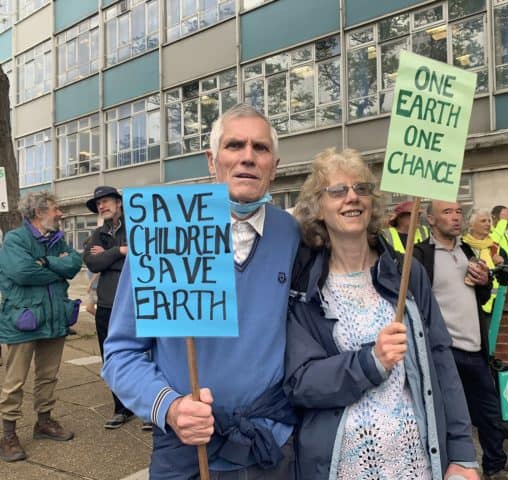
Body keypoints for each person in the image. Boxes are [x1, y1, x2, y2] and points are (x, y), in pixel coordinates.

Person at [102, 103, 299, 479]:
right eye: (234, 145)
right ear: (212, 160)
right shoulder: (164, 231)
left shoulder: (291, 233)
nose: (247, 157)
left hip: (268, 443)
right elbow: (121, 353)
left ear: (274, 165)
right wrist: (171, 408)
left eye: (260, 148)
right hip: (185, 448)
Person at [286, 148, 479, 480]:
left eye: (361, 189)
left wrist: (462, 454)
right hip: (340, 468)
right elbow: (301, 383)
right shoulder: (305, 288)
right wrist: (369, 362)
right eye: (338, 190)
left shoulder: (408, 274)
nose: (352, 197)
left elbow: (441, 361)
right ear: (319, 207)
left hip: (414, 464)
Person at [413, 201, 508, 480]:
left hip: (475, 348)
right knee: (449, 417)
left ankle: (496, 466)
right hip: (444, 351)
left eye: (459, 212)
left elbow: (481, 297)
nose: (455, 217)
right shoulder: (421, 256)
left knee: (490, 412)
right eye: (447, 212)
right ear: (430, 219)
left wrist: (485, 281)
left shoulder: (467, 252)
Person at [0, 192, 82, 462]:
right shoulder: (15, 239)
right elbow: (22, 272)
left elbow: (74, 264)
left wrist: (47, 263)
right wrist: (57, 271)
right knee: (15, 381)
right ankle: (9, 435)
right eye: (56, 209)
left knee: (49, 376)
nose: (60, 214)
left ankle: (43, 422)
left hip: (54, 319)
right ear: (39, 212)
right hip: (23, 321)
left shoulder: (57, 240)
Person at [83, 186, 134, 429]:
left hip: (136, 304)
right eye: (99, 203)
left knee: (145, 356)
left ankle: (147, 408)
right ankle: (121, 408)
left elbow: (142, 255)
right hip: (106, 306)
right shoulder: (97, 234)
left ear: (119, 203)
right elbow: (92, 262)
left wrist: (109, 258)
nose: (102, 206)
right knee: (112, 358)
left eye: (106, 201)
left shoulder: (135, 226)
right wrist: (119, 251)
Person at [462, 209, 508, 313]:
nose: (488, 224)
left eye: (489, 221)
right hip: (467, 306)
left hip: (493, 307)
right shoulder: (462, 247)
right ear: (471, 225)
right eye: (483, 221)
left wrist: (502, 263)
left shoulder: (495, 248)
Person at [489, 205, 508, 295]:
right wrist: (503, 222)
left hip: (507, 286)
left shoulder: (503, 235)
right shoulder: (489, 233)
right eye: (505, 218)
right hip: (497, 290)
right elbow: (492, 244)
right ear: (494, 217)